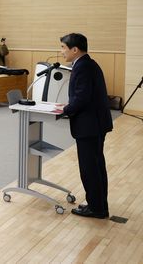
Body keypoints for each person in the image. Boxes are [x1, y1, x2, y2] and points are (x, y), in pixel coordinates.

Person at [59, 33, 113, 219]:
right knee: (96, 165)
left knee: (90, 168)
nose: (61, 52)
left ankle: (96, 208)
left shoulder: (82, 67)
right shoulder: (88, 64)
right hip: (96, 123)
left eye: (63, 48)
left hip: (89, 125)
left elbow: (81, 98)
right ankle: (98, 204)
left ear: (75, 50)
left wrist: (64, 110)